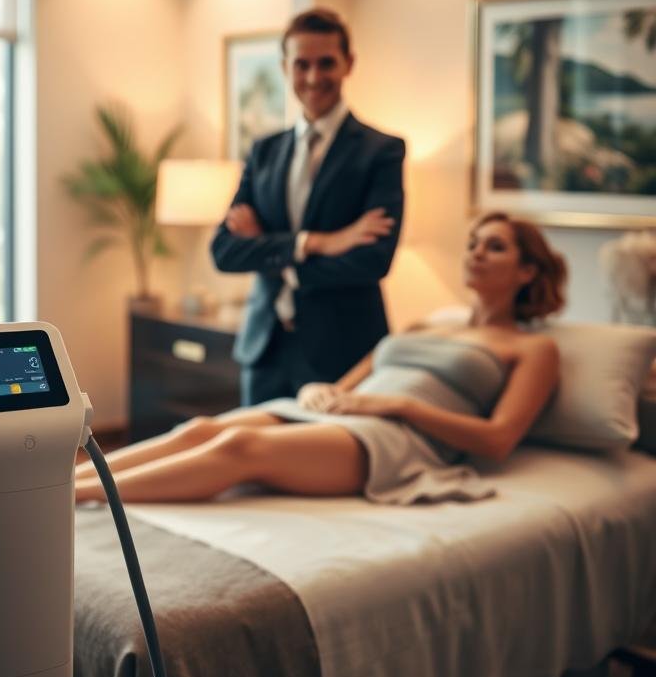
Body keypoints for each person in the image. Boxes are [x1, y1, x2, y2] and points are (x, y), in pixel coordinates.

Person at [76, 212, 567, 505]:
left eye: (495, 247)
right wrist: (322, 392)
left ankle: (73, 499)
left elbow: (499, 440)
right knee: (203, 429)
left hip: (397, 439)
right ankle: (55, 481)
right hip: (348, 413)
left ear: (527, 270)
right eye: (473, 243)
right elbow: (351, 382)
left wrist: (398, 408)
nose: (476, 253)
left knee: (241, 448)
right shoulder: (429, 322)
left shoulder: (532, 348)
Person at [211, 7, 406, 406]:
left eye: (326, 63)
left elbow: (372, 261)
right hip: (264, 349)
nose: (314, 77)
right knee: (251, 462)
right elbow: (224, 251)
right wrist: (316, 243)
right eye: (302, 65)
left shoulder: (382, 151)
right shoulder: (264, 151)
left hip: (343, 351)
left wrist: (268, 247)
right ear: (286, 67)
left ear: (348, 64)